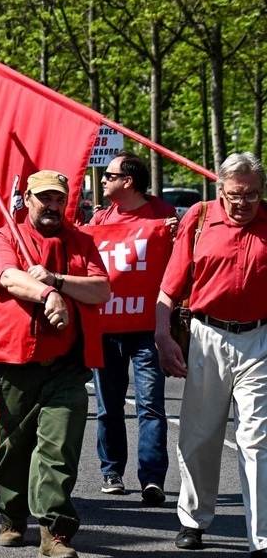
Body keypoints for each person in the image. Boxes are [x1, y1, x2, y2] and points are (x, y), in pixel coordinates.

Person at [0, 170, 110, 558]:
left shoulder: (82, 242)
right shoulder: (6, 237)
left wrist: (57, 279)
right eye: (44, 198)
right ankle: (11, 515)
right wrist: (47, 295)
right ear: (28, 199)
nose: (52, 206)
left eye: (59, 199)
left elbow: (101, 289)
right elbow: (7, 277)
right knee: (13, 450)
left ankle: (55, 532)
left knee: (59, 450)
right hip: (15, 363)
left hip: (68, 367)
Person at [156, 153, 267, 558]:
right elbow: (169, 288)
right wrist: (163, 336)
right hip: (206, 336)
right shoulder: (200, 220)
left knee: (257, 440)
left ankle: (261, 539)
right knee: (200, 436)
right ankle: (194, 519)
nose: (243, 204)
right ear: (220, 190)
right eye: (236, 195)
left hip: (260, 339)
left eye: (253, 196)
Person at [90, 152, 177, 504]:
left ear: (128, 181)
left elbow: (184, 260)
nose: (102, 180)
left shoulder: (164, 217)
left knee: (151, 405)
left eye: (108, 175)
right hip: (106, 328)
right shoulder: (99, 219)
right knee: (108, 406)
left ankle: (152, 479)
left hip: (147, 328)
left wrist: (177, 234)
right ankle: (112, 469)